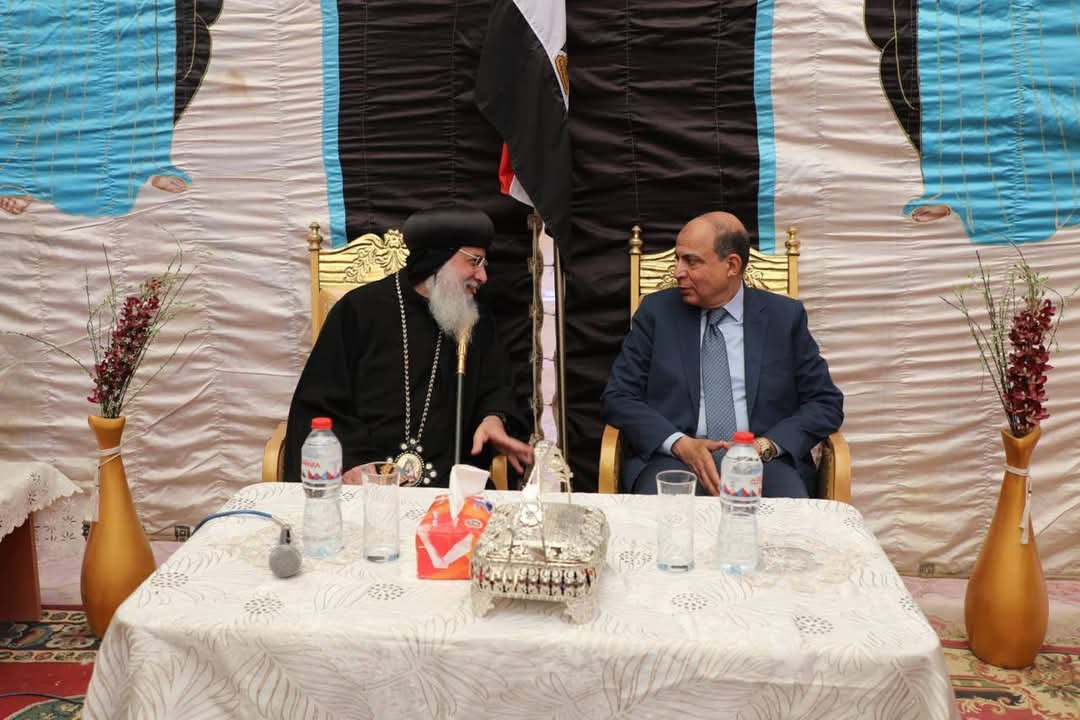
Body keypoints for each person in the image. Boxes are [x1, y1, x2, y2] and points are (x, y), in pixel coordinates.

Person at [284, 206, 533, 486]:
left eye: (484, 263)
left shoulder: (475, 320)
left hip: (449, 489)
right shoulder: (358, 311)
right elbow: (319, 403)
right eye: (474, 261)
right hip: (366, 485)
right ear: (439, 257)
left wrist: (493, 418)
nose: (483, 276)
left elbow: (496, 387)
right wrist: (355, 462)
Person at [602, 211, 843, 498]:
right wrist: (679, 443)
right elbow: (618, 397)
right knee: (665, 515)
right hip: (674, 459)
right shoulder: (656, 313)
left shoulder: (783, 317)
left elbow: (825, 402)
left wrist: (766, 446)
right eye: (677, 259)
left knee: (789, 519)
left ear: (732, 265)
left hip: (765, 463)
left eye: (691, 261)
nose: (678, 272)